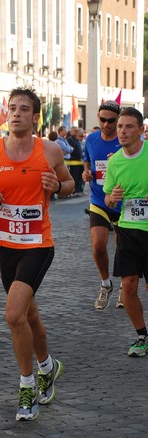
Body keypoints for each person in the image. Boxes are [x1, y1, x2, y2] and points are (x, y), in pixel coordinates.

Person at [0, 87, 74, 421]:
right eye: (12, 108)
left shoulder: (50, 150)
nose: (16, 113)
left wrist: (57, 187)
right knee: (29, 316)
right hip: (6, 245)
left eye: (23, 109)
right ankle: (47, 366)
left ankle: (26, 386)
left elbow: (69, 184)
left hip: (38, 245)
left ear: (34, 116)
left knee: (13, 314)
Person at [104, 107, 148, 357]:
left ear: (141, 130)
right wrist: (113, 197)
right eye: (120, 126)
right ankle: (142, 335)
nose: (122, 131)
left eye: (129, 126)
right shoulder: (115, 161)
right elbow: (109, 199)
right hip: (129, 229)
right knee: (129, 287)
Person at [83, 100, 122, 310]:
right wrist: (86, 172)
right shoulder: (91, 139)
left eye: (112, 121)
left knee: (122, 248)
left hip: (124, 202)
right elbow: (87, 162)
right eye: (103, 119)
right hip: (99, 199)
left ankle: (126, 285)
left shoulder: (127, 139)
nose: (107, 124)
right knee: (98, 245)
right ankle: (106, 284)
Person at [67, 126, 84, 195]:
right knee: (74, 176)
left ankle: (77, 190)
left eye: (77, 131)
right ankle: (73, 190)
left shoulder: (76, 139)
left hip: (78, 161)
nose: (76, 132)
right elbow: (70, 149)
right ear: (71, 131)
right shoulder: (70, 139)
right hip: (73, 161)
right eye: (75, 131)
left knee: (78, 176)